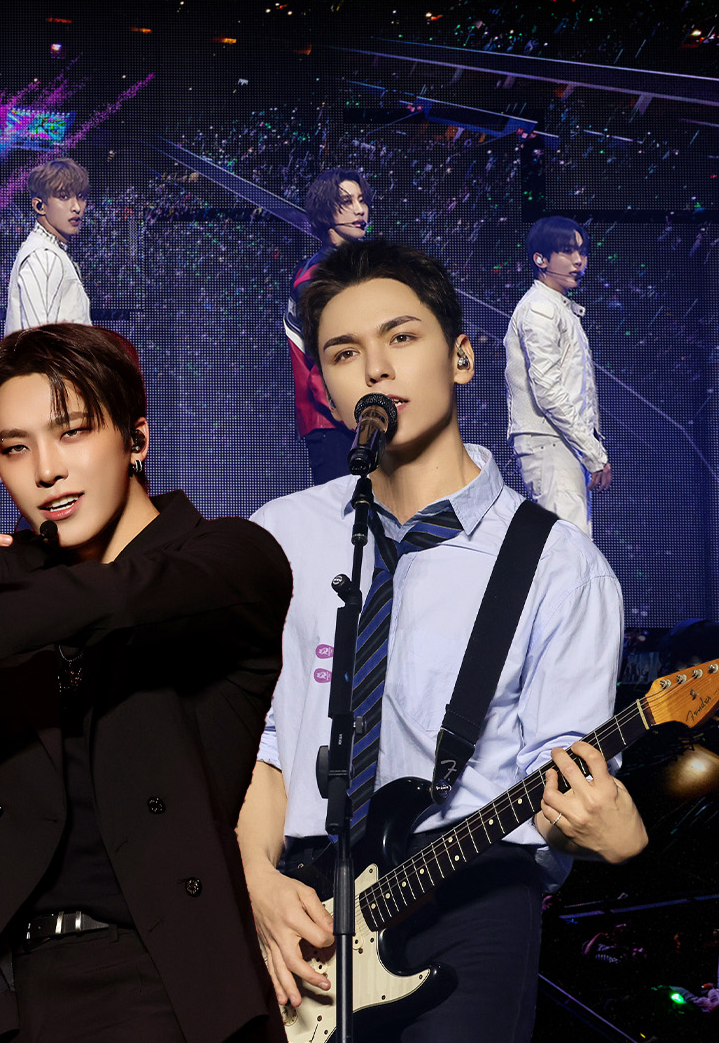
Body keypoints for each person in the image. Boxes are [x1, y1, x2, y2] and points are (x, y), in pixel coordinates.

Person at [0, 324, 291, 1043]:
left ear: (136, 438)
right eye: (15, 448)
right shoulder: (14, 573)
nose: (45, 471)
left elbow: (117, 596)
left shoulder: (229, 557)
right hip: (0, 986)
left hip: (155, 977)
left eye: (72, 432)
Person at [239, 239, 647, 1043]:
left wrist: (603, 826)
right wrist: (254, 880)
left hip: (472, 896)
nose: (376, 369)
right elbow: (267, 744)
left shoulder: (558, 563)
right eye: (344, 353)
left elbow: (561, 771)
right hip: (302, 899)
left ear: (461, 358)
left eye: (402, 337)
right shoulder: (279, 539)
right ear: (326, 389)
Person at [505, 216, 608, 536]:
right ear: (541, 259)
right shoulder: (541, 309)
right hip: (549, 441)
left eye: (582, 251)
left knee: (571, 545)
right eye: (567, 251)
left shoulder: (558, 308)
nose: (579, 260)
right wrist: (593, 453)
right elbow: (548, 391)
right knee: (567, 546)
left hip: (561, 442)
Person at [285, 169, 372, 484]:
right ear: (325, 212)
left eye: (361, 200)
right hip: (333, 423)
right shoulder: (315, 278)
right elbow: (324, 361)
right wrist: (353, 414)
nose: (360, 210)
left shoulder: (356, 268)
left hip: (360, 417)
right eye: (347, 202)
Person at [5, 156, 93, 333]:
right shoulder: (42, 256)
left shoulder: (48, 251)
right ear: (39, 206)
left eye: (81, 197)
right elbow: (38, 339)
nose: (77, 207)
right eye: (64, 197)